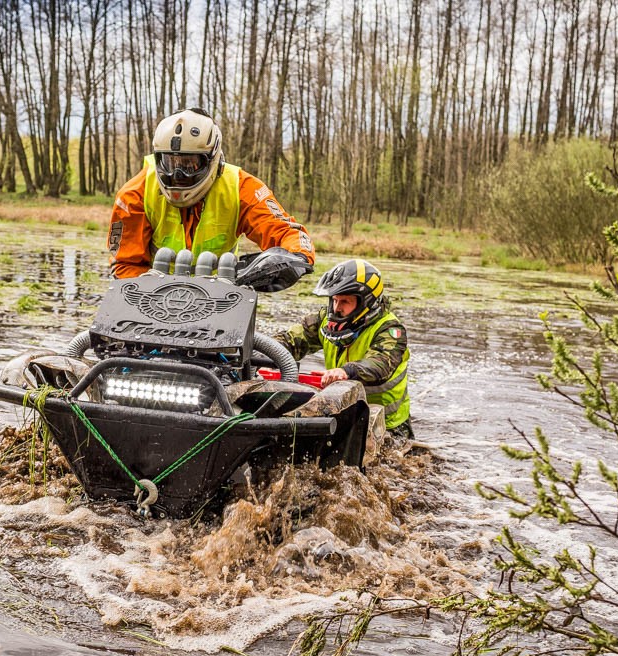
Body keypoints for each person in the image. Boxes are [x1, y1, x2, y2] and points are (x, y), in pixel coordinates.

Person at [107, 107, 315, 290]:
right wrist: (145, 292)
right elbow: (124, 263)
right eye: (170, 163)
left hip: (221, 296)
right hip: (151, 296)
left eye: (189, 164)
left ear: (211, 159)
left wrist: (295, 257)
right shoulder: (135, 194)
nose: (178, 174)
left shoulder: (241, 188)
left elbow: (285, 230)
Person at [274, 259, 413, 439]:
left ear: (366, 302)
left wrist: (346, 371)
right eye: (334, 300)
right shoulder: (325, 319)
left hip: (386, 425)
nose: (337, 308)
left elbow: (381, 363)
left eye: (345, 301)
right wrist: (261, 352)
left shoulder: (390, 330)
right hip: (345, 412)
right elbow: (290, 340)